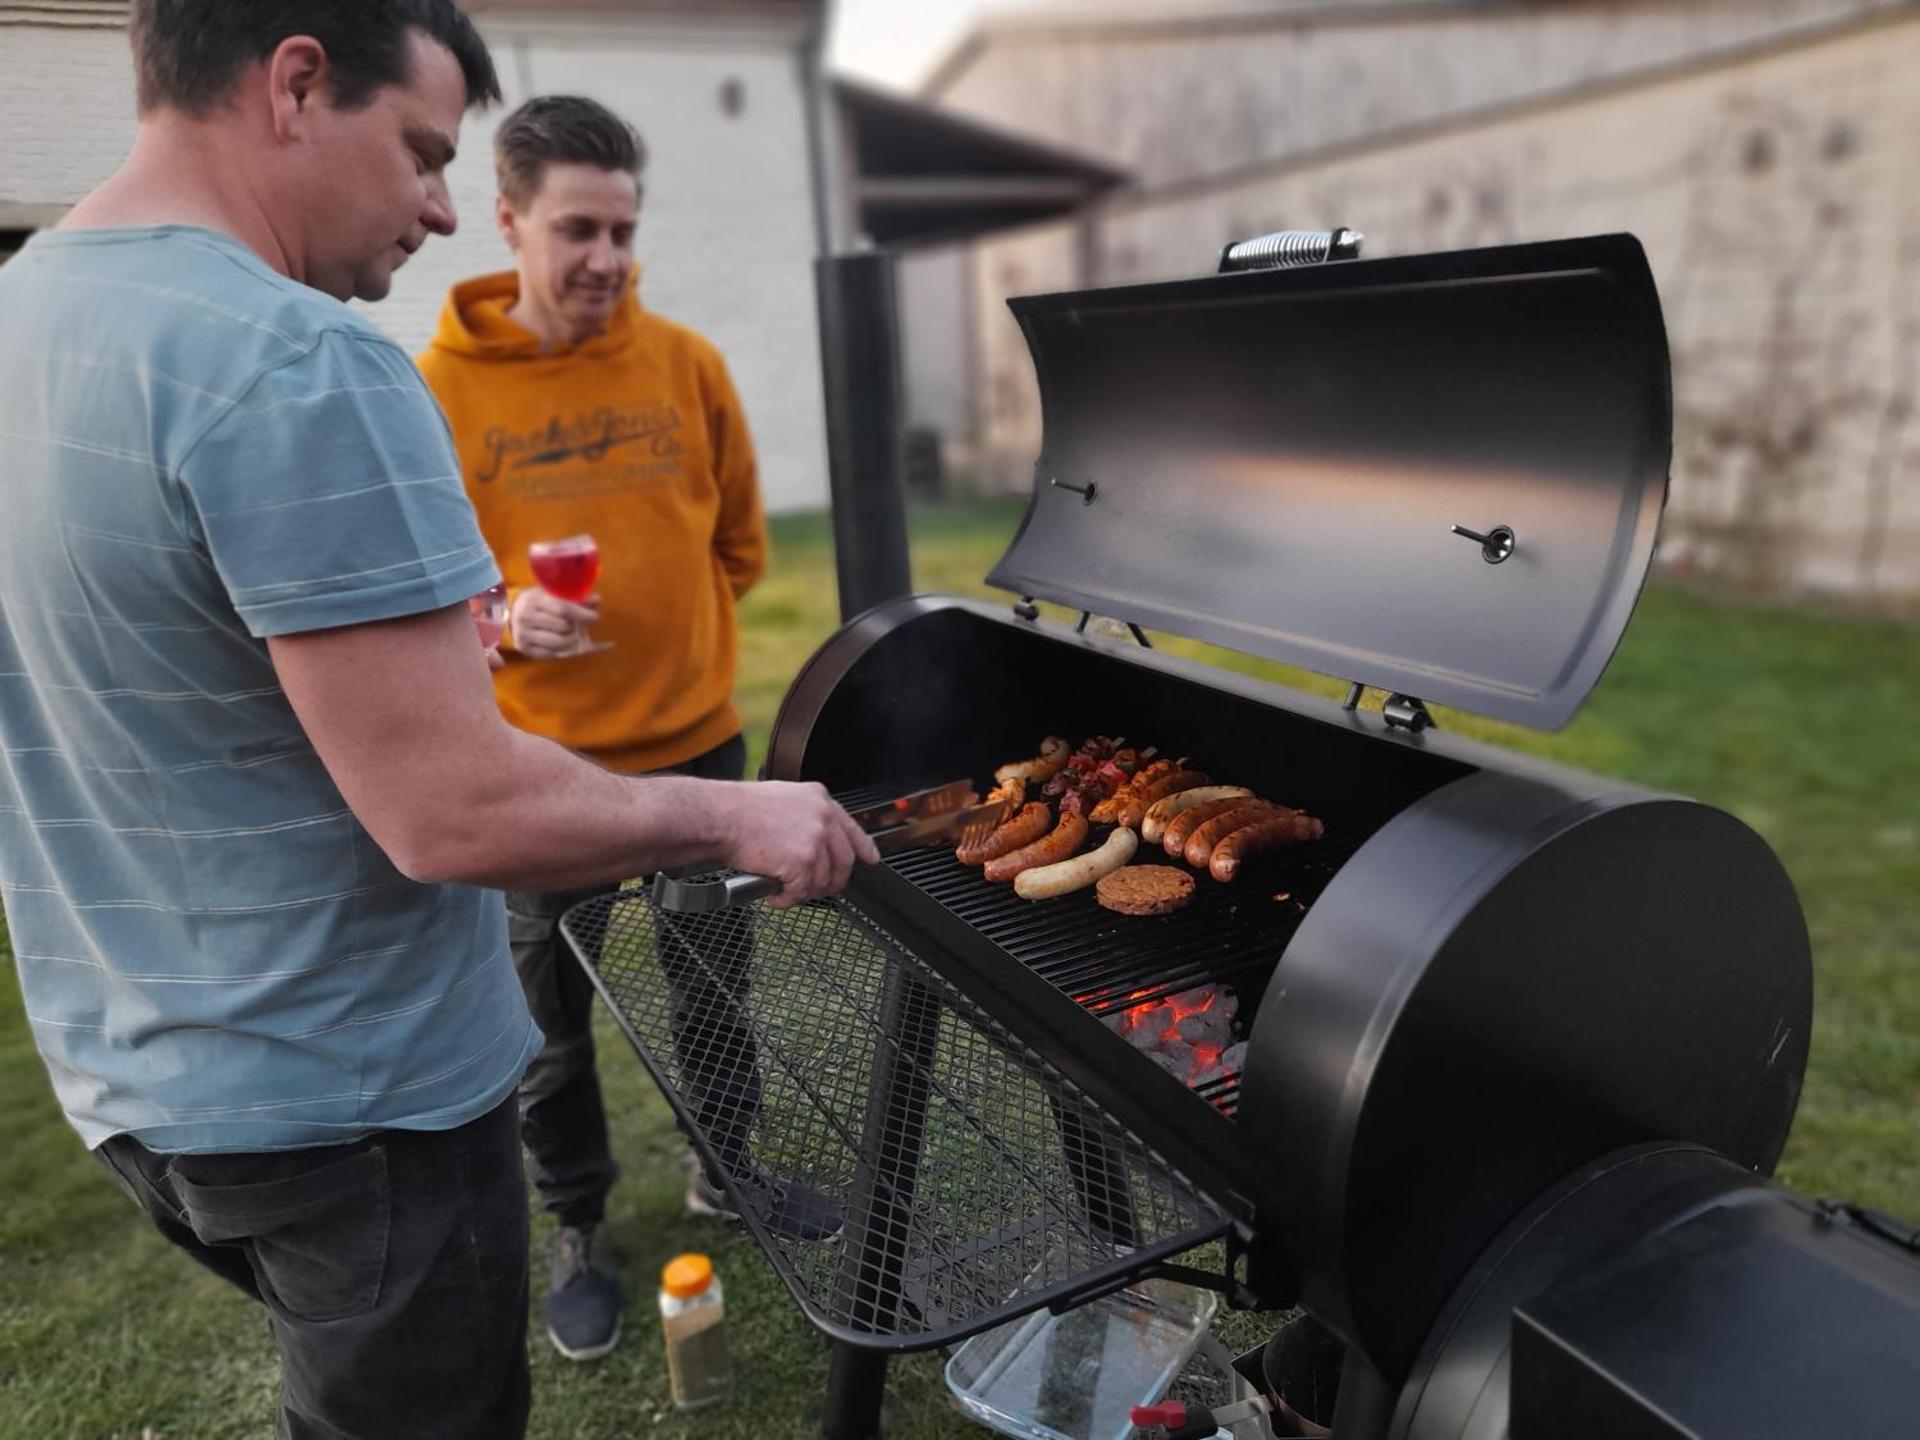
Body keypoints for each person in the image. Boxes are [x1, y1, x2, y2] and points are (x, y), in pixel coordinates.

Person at [0, 5, 875, 1437]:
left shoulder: (24, 307)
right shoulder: (302, 364)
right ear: (294, 83)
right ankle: (582, 1222)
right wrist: (734, 811)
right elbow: (456, 810)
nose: (438, 204)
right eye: (419, 149)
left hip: (137, 1075)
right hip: (353, 1104)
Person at [415, 94, 839, 1365]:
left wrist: (674, 639)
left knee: (712, 991)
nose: (606, 258)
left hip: (699, 751)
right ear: (508, 221)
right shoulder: (437, 390)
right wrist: (500, 629)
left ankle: (728, 1174)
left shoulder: (687, 364)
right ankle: (577, 1228)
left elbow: (741, 546)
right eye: (577, 228)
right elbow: (430, 597)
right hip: (537, 773)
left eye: (624, 230)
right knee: (545, 1028)